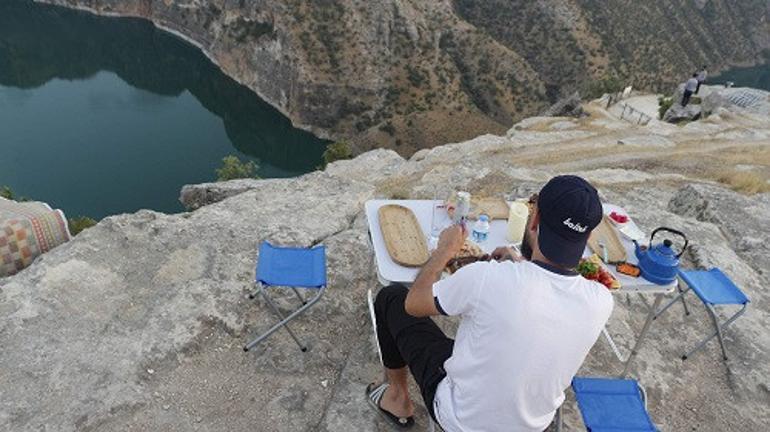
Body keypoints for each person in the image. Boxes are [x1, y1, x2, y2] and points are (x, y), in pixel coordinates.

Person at [367, 175, 614, 431]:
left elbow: (414, 304)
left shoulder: (487, 278)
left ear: (535, 219)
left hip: (461, 420)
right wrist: (517, 264)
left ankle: (397, 399)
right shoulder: (601, 301)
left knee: (392, 298)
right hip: (532, 425)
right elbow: (547, 293)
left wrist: (445, 251)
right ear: (589, 235)